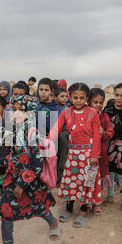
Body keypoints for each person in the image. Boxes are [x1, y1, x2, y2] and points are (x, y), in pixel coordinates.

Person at [0, 94, 60, 244]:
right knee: (6, 212)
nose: (16, 114)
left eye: (21, 110)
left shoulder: (33, 135)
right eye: (14, 109)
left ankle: (53, 223)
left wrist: (22, 185)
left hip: (31, 185)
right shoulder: (14, 133)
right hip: (12, 181)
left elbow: (36, 165)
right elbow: (13, 158)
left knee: (40, 209)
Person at [49, 83, 101, 227]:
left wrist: (95, 155)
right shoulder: (66, 113)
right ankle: (69, 208)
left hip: (89, 154)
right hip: (73, 154)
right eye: (75, 97)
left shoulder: (93, 113)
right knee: (71, 181)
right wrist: (46, 141)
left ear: (86, 98)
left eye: (81, 98)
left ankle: (84, 210)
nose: (78, 100)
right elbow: (56, 129)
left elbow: (97, 135)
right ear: (70, 97)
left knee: (87, 182)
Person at [88, 88, 114, 212]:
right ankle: (89, 202)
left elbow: (110, 131)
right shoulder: (84, 115)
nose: (98, 105)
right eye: (95, 102)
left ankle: (97, 202)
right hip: (87, 153)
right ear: (89, 102)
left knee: (98, 179)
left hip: (101, 154)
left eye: (100, 102)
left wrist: (103, 133)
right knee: (89, 178)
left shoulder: (104, 116)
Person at [54, 87, 69, 187]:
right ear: (55, 97)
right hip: (53, 135)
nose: (64, 99)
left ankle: (60, 180)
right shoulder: (52, 108)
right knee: (53, 158)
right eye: (62, 96)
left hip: (64, 135)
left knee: (63, 157)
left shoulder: (67, 109)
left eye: (66, 96)